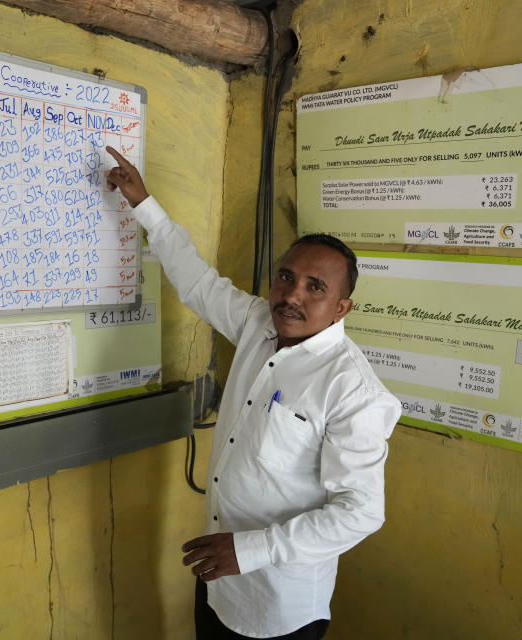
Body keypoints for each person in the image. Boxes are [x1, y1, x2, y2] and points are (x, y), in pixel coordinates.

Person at [105, 147, 401, 640]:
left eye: (315, 287)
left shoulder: (353, 390)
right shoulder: (258, 324)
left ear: (342, 307)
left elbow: (360, 512)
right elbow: (197, 281)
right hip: (220, 578)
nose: (292, 295)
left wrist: (249, 551)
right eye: (286, 277)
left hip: (279, 600)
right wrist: (144, 204)